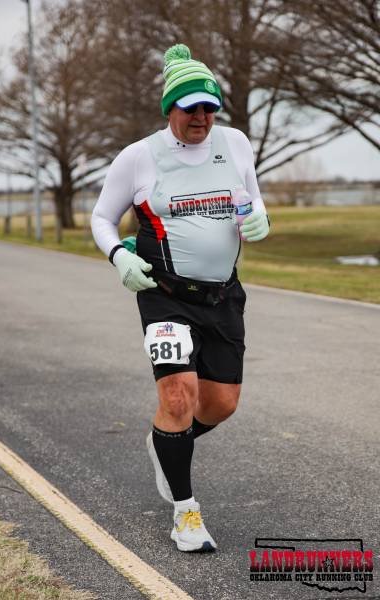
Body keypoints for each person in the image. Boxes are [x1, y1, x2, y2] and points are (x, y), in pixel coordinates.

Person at [91, 44, 270, 552]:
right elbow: (102, 218)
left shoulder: (235, 143)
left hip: (223, 296)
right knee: (177, 396)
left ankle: (166, 439)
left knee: (221, 404)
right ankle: (185, 515)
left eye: (209, 107)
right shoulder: (139, 157)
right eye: (191, 107)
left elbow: (250, 198)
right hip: (164, 295)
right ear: (170, 108)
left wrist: (261, 216)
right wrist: (119, 257)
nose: (201, 118)